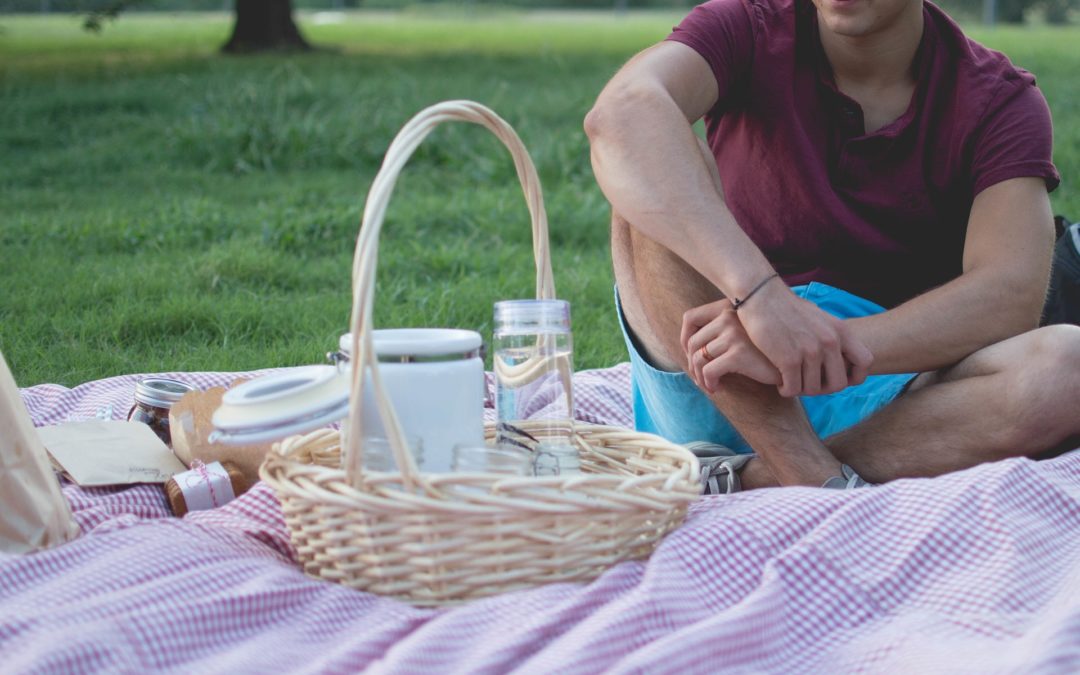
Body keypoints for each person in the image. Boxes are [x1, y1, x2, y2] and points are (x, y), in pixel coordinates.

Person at [584, 0, 1080, 491]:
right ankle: (813, 476)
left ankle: (744, 479)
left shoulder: (998, 99)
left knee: (1067, 367)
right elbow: (621, 115)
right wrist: (759, 300)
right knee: (649, 163)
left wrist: (813, 350)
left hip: (886, 404)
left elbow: (1010, 292)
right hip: (715, 374)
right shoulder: (748, 25)